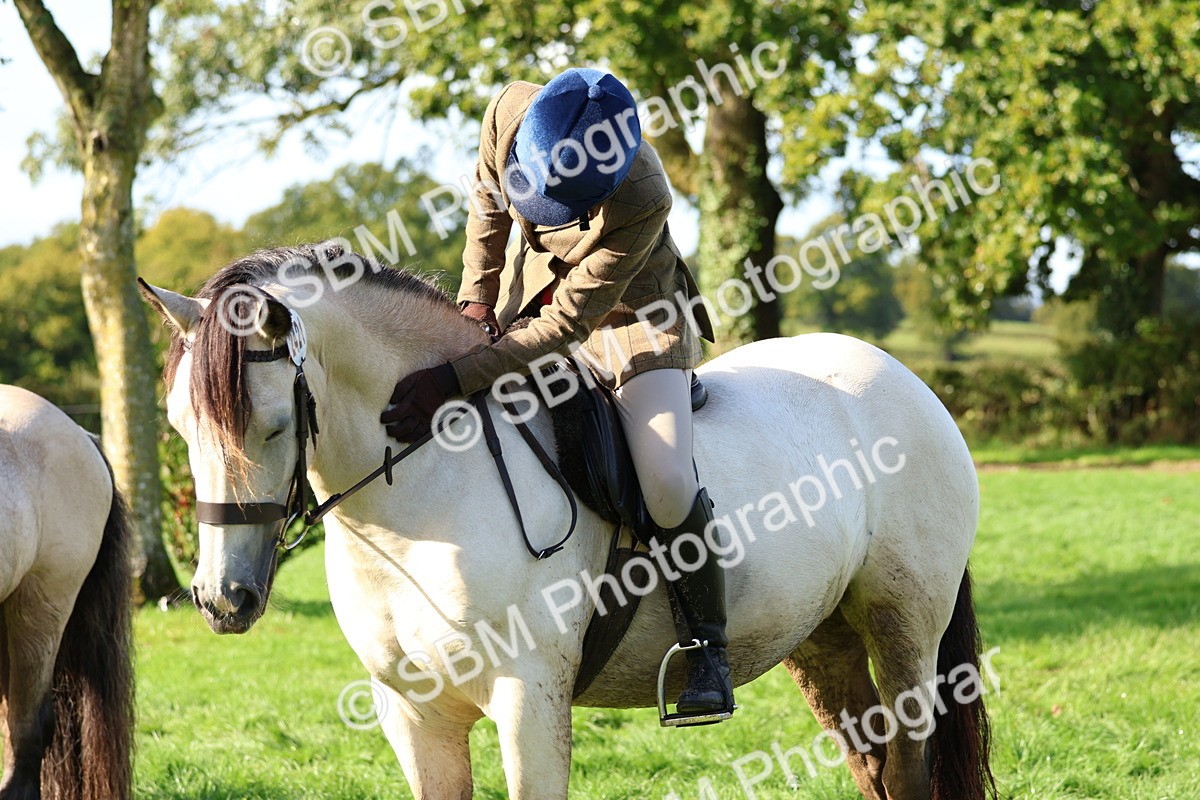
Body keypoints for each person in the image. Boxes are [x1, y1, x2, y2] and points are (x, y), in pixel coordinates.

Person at [380, 68, 732, 717]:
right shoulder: (508, 111)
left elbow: (570, 323)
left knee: (665, 479)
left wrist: (457, 377)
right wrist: (475, 303)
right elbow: (488, 209)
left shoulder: (644, 194)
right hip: (528, 290)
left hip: (633, 316)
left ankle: (708, 646)